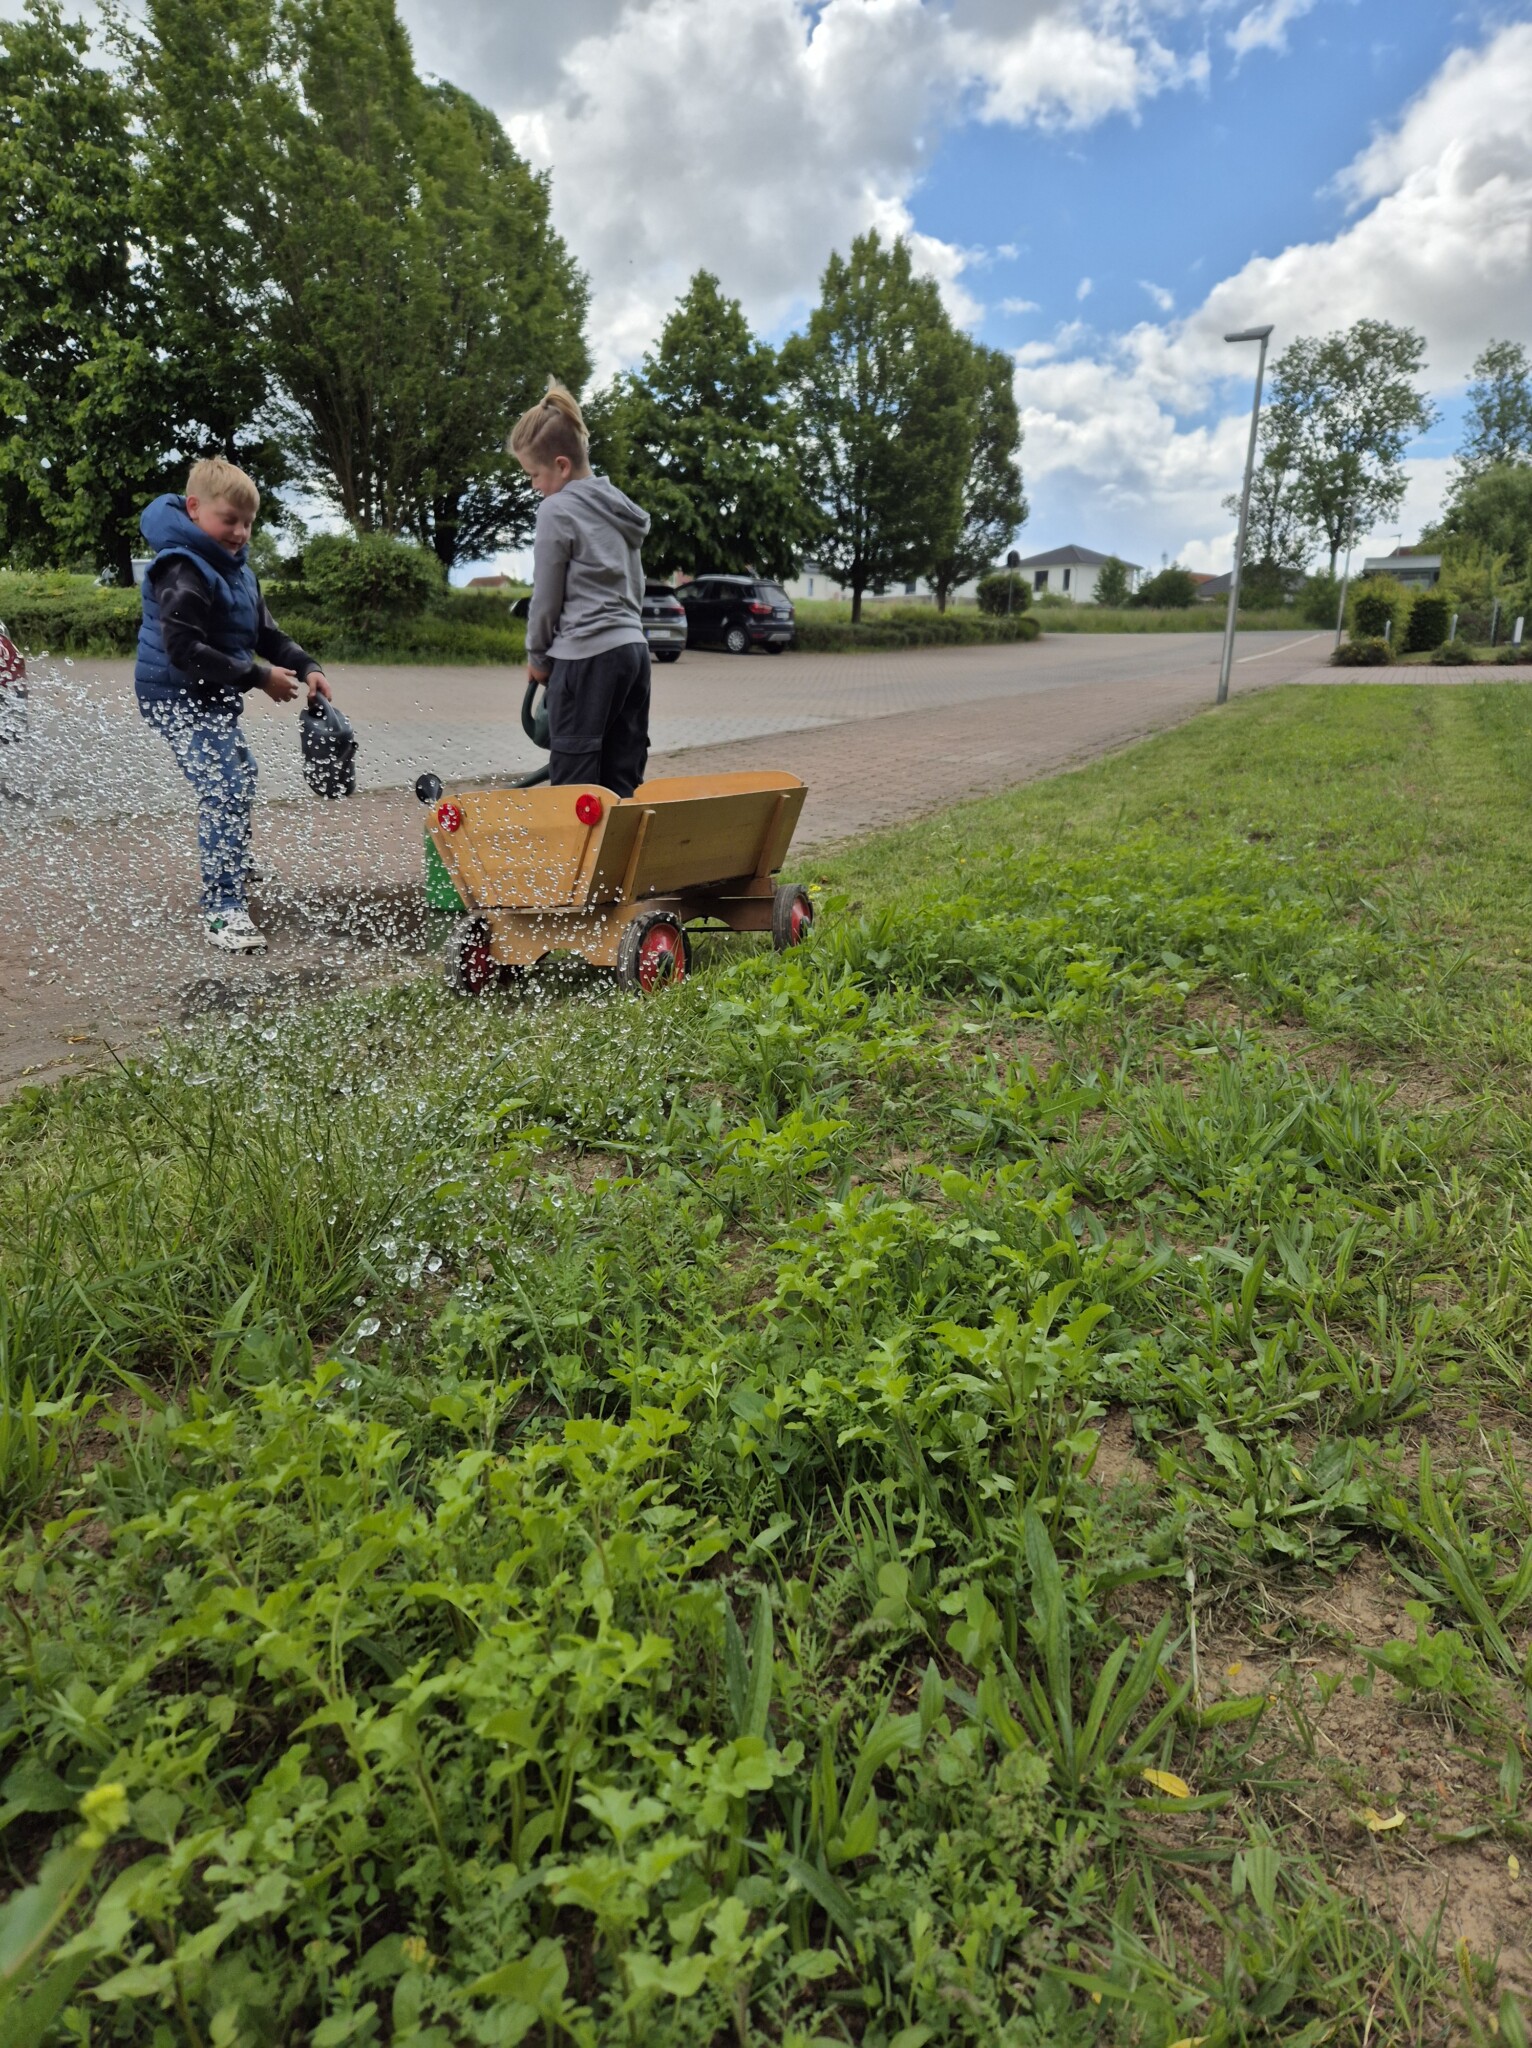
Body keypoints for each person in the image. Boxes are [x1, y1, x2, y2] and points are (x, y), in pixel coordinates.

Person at [134, 459, 331, 952]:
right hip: (175, 694)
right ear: (194, 509)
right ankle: (222, 908)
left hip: (210, 693)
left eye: (248, 523)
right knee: (224, 787)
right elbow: (184, 651)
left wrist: (307, 666)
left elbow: (267, 635)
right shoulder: (181, 568)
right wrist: (259, 677)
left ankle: (233, 860)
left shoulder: (237, 571)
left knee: (241, 772)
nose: (241, 533)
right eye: (229, 520)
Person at [509, 382, 652, 796]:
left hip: (586, 658)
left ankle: (577, 845)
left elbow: (546, 597)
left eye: (534, 475)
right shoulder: (619, 508)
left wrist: (538, 657)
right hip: (634, 654)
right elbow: (636, 584)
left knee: (574, 787)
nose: (534, 485)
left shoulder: (556, 509)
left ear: (561, 465)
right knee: (621, 777)